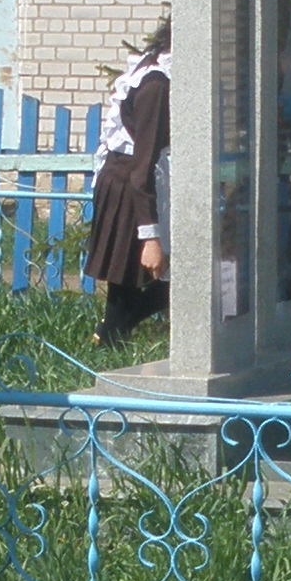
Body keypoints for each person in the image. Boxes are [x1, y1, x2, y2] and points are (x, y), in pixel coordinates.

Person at [84, 18, 172, 344]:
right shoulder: (157, 86)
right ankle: (110, 336)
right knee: (160, 280)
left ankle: (109, 335)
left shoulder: (154, 70)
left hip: (128, 181)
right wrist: (150, 235)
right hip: (132, 187)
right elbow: (143, 162)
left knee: (125, 292)